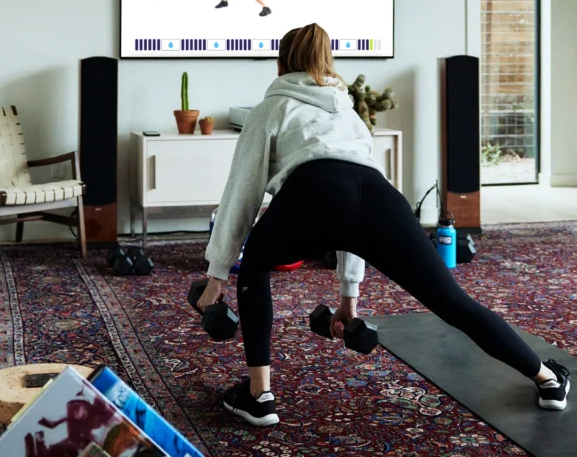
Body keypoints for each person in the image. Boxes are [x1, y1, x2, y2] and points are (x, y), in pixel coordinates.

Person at [196, 22, 571, 427]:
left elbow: (242, 194)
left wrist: (217, 274)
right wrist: (348, 297)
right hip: (378, 198)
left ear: (280, 64)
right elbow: (353, 205)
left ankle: (259, 397)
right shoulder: (349, 112)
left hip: (311, 193)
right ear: (326, 63)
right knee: (452, 301)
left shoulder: (270, 108)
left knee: (254, 266)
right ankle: (547, 378)